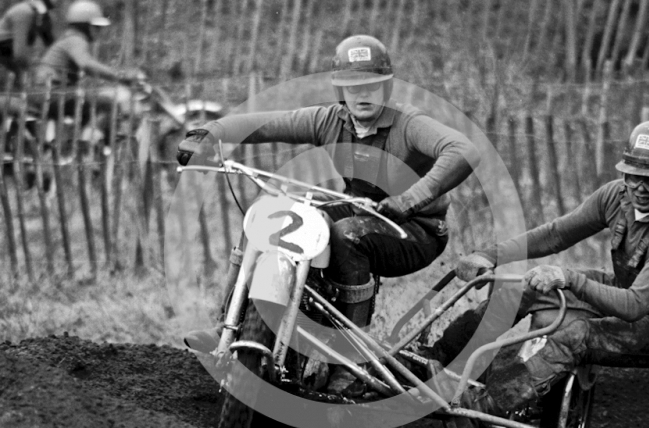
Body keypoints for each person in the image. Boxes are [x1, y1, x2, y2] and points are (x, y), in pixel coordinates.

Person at [178, 34, 480, 395]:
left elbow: (463, 150)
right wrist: (210, 132)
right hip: (362, 209)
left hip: (417, 227)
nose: (362, 94)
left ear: (386, 86)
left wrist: (412, 198)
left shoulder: (408, 124)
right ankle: (228, 326)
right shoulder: (330, 120)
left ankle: (348, 362)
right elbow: (269, 123)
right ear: (340, 91)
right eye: (352, 87)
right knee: (268, 213)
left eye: (371, 85)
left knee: (347, 235)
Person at [428, 120, 649, 414]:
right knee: (523, 289)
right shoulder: (617, 196)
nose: (639, 188)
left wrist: (569, 278)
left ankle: (488, 405)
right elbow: (556, 234)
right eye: (632, 176)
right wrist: (490, 255)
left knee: (577, 336)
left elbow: (635, 306)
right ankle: (438, 359)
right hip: (625, 289)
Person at [34, 0, 143, 87]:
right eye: (96, 27)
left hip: (51, 89)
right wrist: (120, 75)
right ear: (85, 26)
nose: (99, 31)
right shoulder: (76, 39)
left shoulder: (70, 37)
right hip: (52, 90)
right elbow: (87, 64)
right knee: (112, 100)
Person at [0, 0, 57, 89]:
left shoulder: (41, 16)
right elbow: (19, 54)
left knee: (17, 89)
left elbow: (51, 44)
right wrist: (31, 70)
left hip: (7, 57)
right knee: (6, 88)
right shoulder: (24, 12)